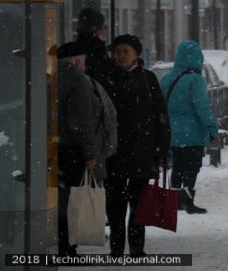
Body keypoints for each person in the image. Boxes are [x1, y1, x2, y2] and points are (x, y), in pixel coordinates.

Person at [105, 34, 169, 257]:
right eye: (118, 51)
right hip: (115, 153)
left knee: (139, 203)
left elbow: (160, 114)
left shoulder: (147, 78)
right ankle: (116, 248)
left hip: (142, 151)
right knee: (115, 205)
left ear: (136, 55)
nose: (121, 56)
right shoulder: (107, 78)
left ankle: (137, 247)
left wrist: (162, 148)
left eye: (126, 51)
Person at [161, 40, 219, 215]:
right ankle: (187, 201)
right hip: (192, 132)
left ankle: (175, 201)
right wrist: (212, 129)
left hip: (173, 132)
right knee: (193, 166)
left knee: (178, 165)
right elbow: (202, 108)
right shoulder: (195, 80)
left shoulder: (167, 78)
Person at [56, 39, 100, 256]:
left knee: (60, 199)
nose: (85, 65)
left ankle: (60, 243)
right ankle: (67, 247)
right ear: (76, 60)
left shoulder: (48, 76)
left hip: (52, 149)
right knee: (72, 201)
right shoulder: (76, 79)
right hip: (72, 150)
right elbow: (82, 122)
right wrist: (91, 153)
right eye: (82, 61)